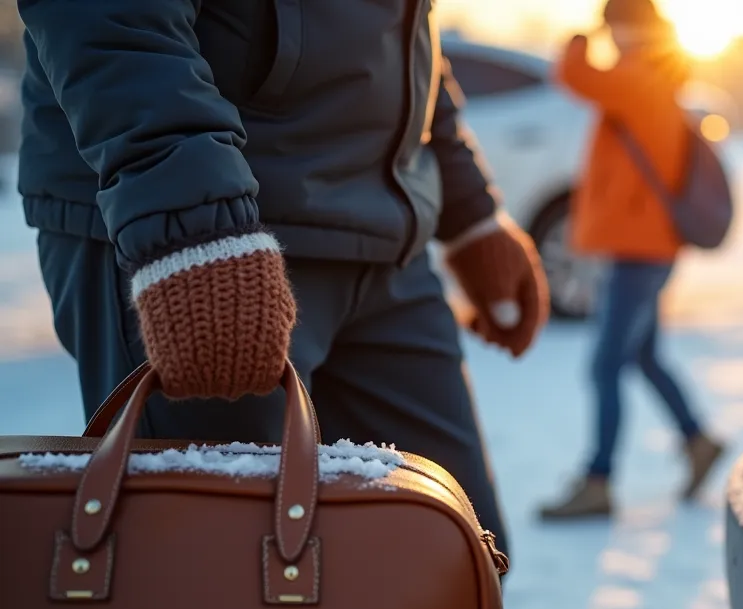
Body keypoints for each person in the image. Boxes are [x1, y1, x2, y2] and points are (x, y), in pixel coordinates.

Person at [16, 0, 549, 560]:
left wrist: (471, 214)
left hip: (383, 238)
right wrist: (194, 222)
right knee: (214, 582)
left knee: (453, 557)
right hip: (211, 235)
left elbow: (407, 32)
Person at [539, 0, 723, 519]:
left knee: (604, 367)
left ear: (628, 27)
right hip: (643, 246)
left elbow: (572, 73)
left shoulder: (639, 77)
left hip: (639, 250)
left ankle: (598, 480)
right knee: (641, 356)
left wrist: (579, 37)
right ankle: (697, 441)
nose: (608, 37)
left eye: (611, 25)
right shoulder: (654, 79)